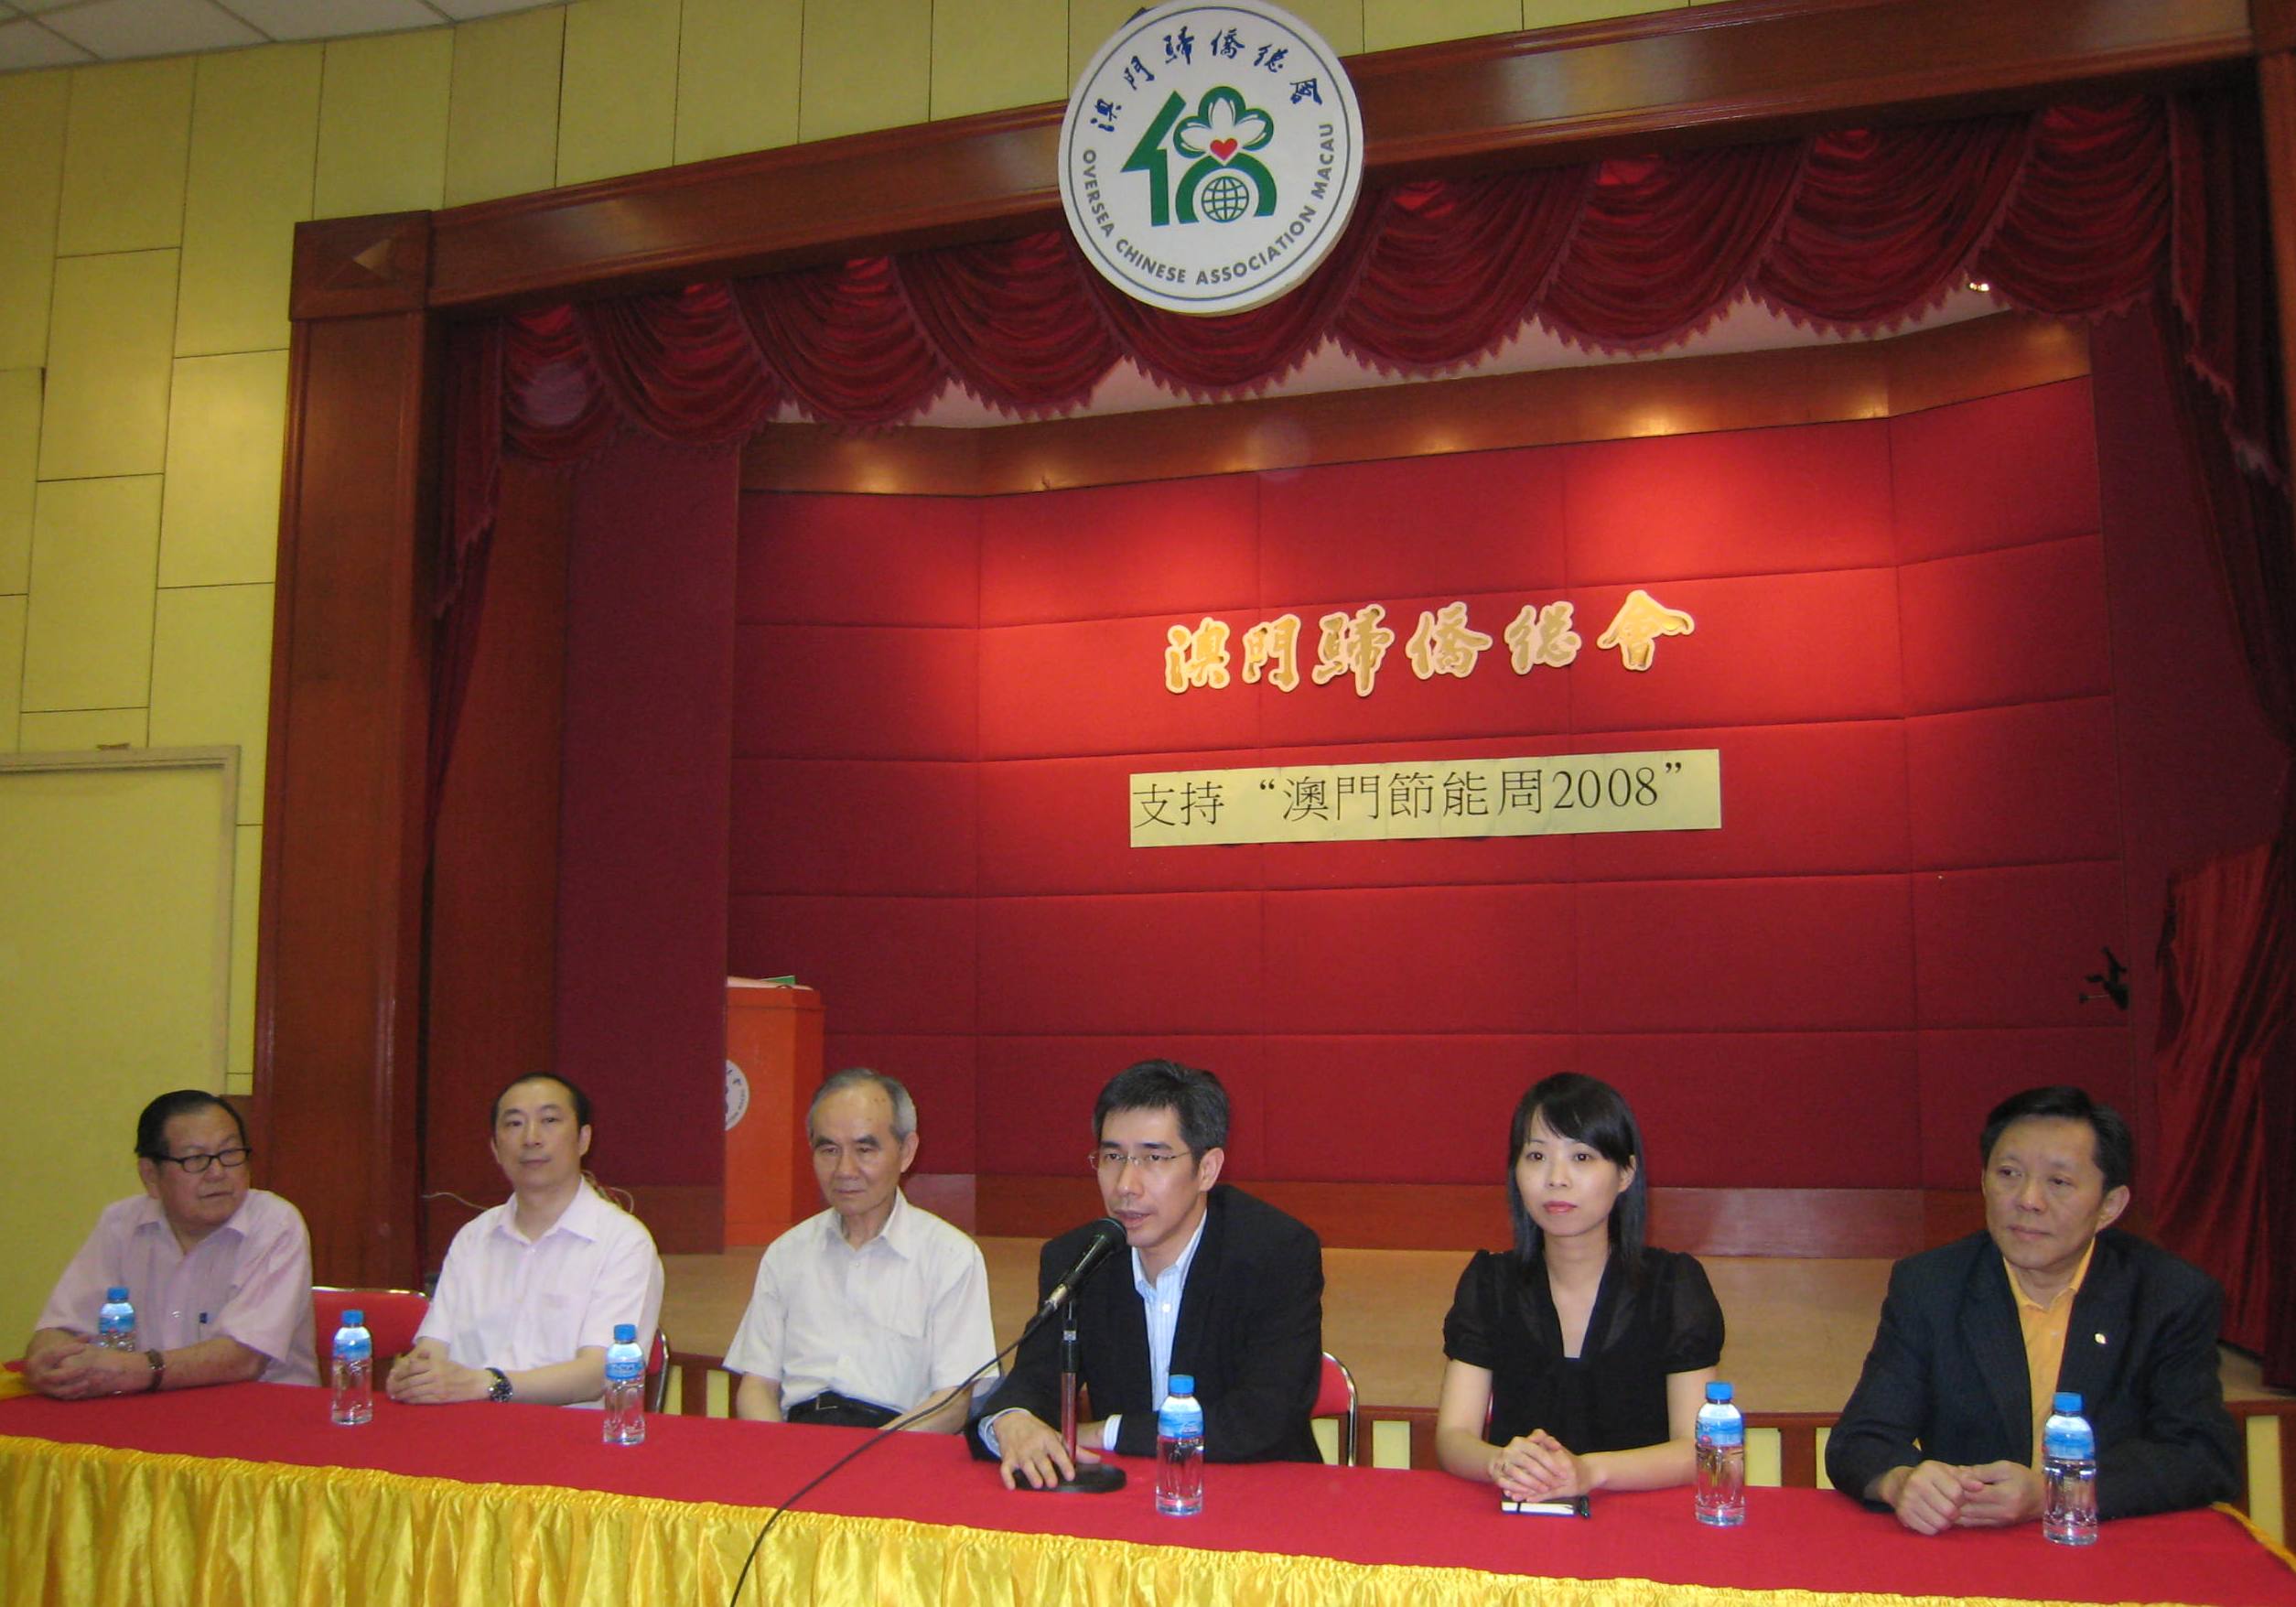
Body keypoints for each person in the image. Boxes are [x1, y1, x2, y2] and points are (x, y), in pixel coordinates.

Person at [1827, 1084, 2240, 1530]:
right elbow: (1861, 1438)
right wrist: (1900, 1481)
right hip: (1971, 1544)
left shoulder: (2170, 1295)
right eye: (2009, 1173)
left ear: (2110, 1205)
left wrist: (2053, 1492)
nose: (2028, 1200)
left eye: (2058, 1183)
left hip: (2108, 1540)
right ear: (1983, 1181)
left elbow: (2202, 1455)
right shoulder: (1931, 1285)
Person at [972, 1059, 1324, 1487]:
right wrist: (1012, 1419)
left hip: (1261, 1493)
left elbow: (1263, 1419)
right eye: (1113, 1156)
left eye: (1153, 1158)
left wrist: (1106, 1433)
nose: (1125, 1184)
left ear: (1207, 1169)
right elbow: (1033, 1379)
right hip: (1130, 1496)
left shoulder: (1275, 1253)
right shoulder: (1080, 1258)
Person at [1434, 1073, 1722, 1501]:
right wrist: (1499, 1462)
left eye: (1582, 1157)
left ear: (1625, 1173)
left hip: (1641, 1517)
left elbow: (1696, 1449)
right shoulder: (1489, 1282)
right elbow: (1453, 1436)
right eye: (1536, 1156)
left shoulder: (1674, 1285)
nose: (1556, 1178)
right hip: (1521, 1516)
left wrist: (1589, 1472)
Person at [725, 1068, 996, 1430]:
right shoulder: (786, 1253)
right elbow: (757, 1384)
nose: (844, 1170)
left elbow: (952, 1403)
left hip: (898, 1441)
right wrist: (780, 1451)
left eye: (864, 1150)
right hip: (797, 1437)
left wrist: (866, 1456)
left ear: (906, 1152)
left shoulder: (950, 1257)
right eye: (829, 1150)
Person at [387, 1073, 663, 1407]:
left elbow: (601, 1373)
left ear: (583, 1139)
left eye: (549, 1120)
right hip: (467, 1426)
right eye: (514, 1124)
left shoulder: (623, 1242)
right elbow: (433, 1346)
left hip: (571, 1433)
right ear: (495, 1147)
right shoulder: (473, 1237)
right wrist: (414, 1375)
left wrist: (488, 1384)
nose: (531, 1138)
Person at [25, 1089, 317, 1397]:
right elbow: (62, 1326)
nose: (217, 1173)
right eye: (195, 1159)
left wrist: (132, 1371)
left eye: (230, 1154)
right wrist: (49, 1359)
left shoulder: (275, 1223)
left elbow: (244, 1358)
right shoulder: (120, 1224)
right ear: (151, 1176)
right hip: (144, 1411)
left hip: (258, 1410)